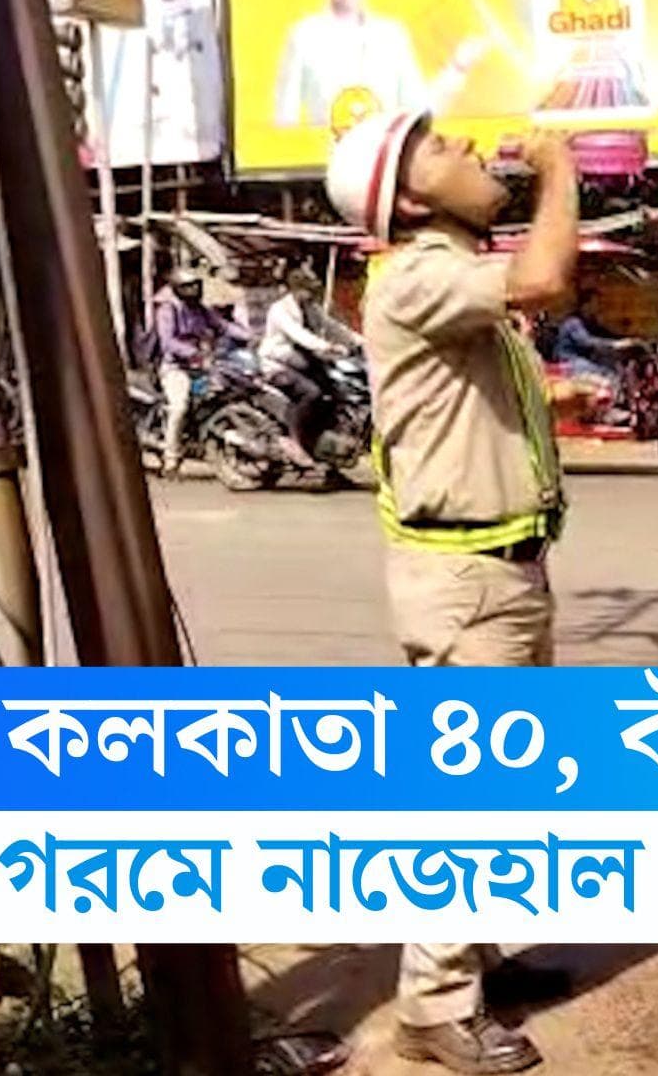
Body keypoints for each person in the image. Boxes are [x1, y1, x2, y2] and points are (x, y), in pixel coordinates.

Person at [328, 112, 579, 1074]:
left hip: (499, 570)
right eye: (442, 150)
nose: (473, 149)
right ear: (408, 199)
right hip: (468, 581)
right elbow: (547, 275)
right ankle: (433, 1010)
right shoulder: (418, 271)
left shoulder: (449, 276)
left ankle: (472, 963)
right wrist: (559, 171)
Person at [275, 0, 487, 129]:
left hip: (385, 170)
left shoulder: (392, 34)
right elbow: (285, 120)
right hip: (325, 170)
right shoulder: (303, 35)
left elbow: (419, 112)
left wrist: (458, 67)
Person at [151, 267, 253, 475]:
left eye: (196, 286)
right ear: (178, 289)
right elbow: (167, 341)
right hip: (176, 367)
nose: (194, 290)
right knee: (179, 407)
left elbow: (222, 326)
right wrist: (192, 353)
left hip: (202, 366)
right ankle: (171, 457)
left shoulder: (201, 310)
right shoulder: (168, 310)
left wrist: (247, 335)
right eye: (188, 287)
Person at [259, 266, 363, 465]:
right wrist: (326, 346)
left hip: (304, 361)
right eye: (307, 289)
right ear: (295, 289)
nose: (311, 294)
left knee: (336, 394)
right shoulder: (280, 310)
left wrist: (359, 341)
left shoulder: (310, 306)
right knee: (311, 393)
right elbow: (298, 334)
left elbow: (333, 326)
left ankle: (326, 451)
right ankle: (294, 439)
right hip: (278, 364)